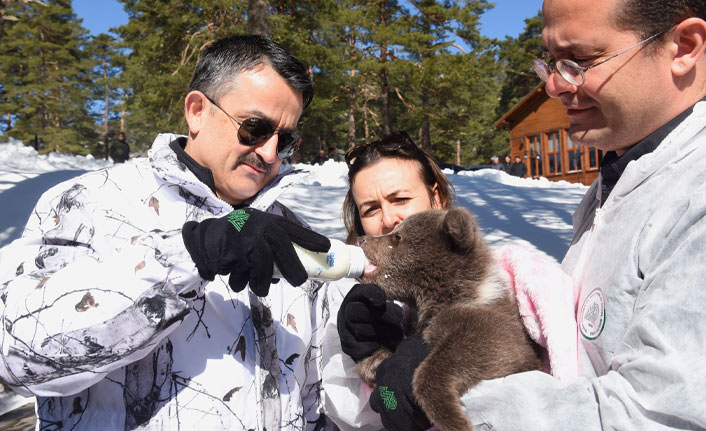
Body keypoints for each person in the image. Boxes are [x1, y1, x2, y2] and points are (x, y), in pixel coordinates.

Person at [335, 0, 706, 429]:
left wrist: (445, 388)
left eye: (580, 61)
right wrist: (386, 351)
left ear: (685, 46)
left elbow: (656, 415)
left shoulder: (694, 197)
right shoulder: (617, 182)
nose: (553, 86)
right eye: (550, 64)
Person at [0, 34, 338, 430]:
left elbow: (317, 399)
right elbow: (16, 355)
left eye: (286, 140)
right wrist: (189, 255)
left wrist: (375, 369)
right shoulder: (88, 202)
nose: (268, 152)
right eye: (255, 128)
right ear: (196, 111)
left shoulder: (294, 232)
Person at [319, 131, 454, 430]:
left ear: (437, 198)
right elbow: (352, 414)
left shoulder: (497, 269)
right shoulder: (352, 294)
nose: (389, 218)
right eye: (371, 208)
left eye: (401, 199)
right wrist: (371, 361)